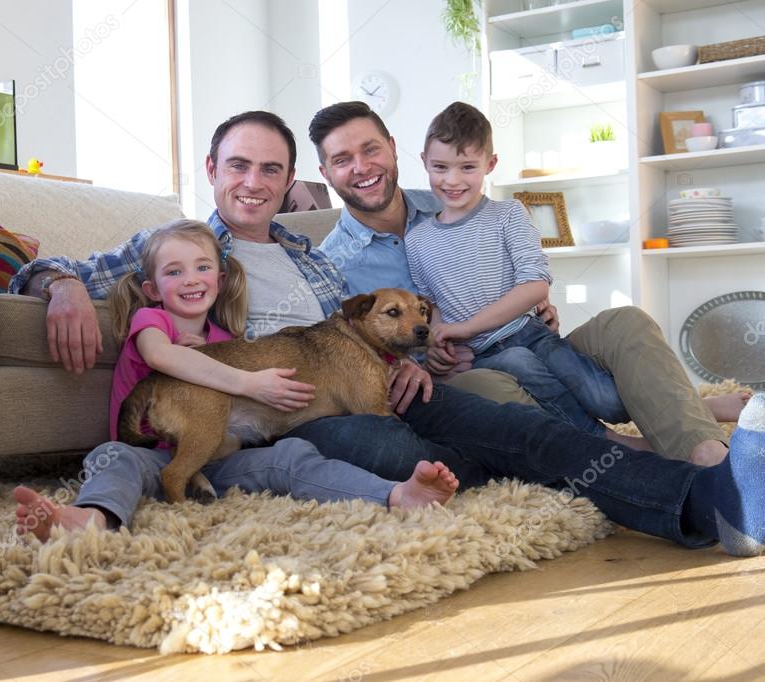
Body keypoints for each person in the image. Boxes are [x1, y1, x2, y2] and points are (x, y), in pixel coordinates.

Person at [10, 109, 764, 557]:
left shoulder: (319, 257)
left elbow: (382, 330)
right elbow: (49, 267)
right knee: (405, 447)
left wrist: (414, 361)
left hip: (388, 388)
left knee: (511, 430)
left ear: (289, 179)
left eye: (270, 169)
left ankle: (711, 504)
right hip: (299, 423)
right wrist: (61, 283)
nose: (253, 181)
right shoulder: (183, 250)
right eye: (237, 165)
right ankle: (483, 468)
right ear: (211, 168)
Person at [310, 100, 749, 466]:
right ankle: (633, 444)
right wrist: (422, 358)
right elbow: (343, 355)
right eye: (342, 160)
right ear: (326, 172)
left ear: (392, 148)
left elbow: (523, 275)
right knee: (493, 385)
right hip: (469, 374)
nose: (362, 167)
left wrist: (537, 303)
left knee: (625, 322)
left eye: (370, 150)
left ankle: (703, 450)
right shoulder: (330, 265)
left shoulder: (448, 197)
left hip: (530, 334)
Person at [13, 219, 459, 538]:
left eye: (203, 268)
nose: (191, 279)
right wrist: (63, 284)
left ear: (221, 280)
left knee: (295, 459)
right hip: (150, 450)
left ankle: (396, 496)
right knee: (114, 458)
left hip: (227, 459)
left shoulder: (226, 336)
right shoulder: (151, 320)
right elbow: (161, 357)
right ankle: (90, 517)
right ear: (151, 288)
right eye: (175, 272)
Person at [403, 101, 642, 446]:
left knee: (607, 400)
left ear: (491, 164)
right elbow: (432, 305)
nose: (452, 180)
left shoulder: (508, 214)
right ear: (424, 160)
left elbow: (534, 285)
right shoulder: (417, 240)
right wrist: (440, 339)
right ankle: (611, 441)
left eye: (467, 167)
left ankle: (690, 407)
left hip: (529, 333)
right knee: (522, 370)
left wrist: (465, 327)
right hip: (482, 356)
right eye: (440, 167)